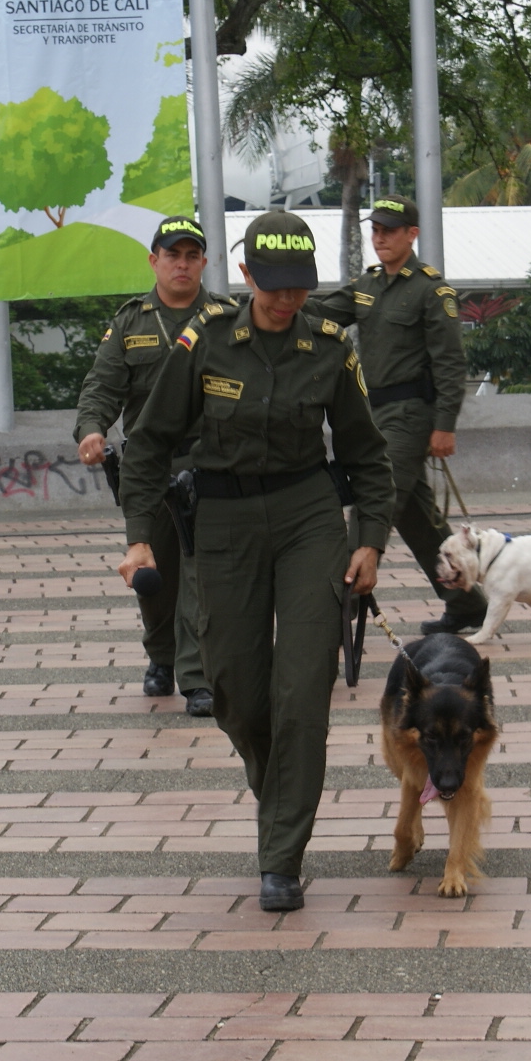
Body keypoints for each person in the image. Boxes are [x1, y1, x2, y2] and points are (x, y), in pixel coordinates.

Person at [117, 211, 395, 913]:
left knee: (302, 693)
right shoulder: (204, 339)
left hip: (308, 518)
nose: (287, 300)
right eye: (273, 287)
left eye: (299, 287)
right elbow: (149, 442)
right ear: (246, 277)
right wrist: (139, 537)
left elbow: (366, 454)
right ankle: (281, 802)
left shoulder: (330, 347)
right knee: (234, 689)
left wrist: (368, 541)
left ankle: (281, 858)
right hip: (224, 521)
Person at [74, 215, 232, 715]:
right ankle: (161, 655)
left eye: (191, 256)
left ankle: (197, 676)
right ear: (154, 261)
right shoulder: (131, 322)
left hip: (210, 463)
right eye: (172, 255)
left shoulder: (227, 318)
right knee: (153, 574)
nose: (182, 265)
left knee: (200, 573)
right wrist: (92, 429)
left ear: (204, 262)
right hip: (149, 467)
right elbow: (101, 387)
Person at [307, 194, 485, 635]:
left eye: (389, 230)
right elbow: (321, 313)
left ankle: (339, 607)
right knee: (414, 515)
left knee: (374, 497)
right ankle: (466, 603)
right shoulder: (367, 285)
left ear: (412, 234)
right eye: (376, 230)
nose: (380, 237)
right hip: (376, 411)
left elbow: (450, 364)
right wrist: (274, 296)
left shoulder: (431, 291)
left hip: (412, 414)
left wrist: (444, 426)